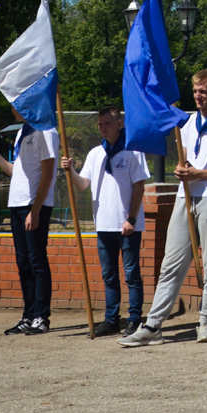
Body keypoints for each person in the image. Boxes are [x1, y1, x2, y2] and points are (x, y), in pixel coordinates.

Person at [121, 69, 207, 347]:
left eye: (204, 91)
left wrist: (200, 174)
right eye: (196, 91)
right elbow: (186, 161)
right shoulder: (187, 123)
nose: (199, 96)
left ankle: (205, 321)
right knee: (171, 261)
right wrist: (183, 169)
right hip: (185, 196)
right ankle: (153, 325)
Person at [58, 106, 149, 338]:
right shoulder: (95, 154)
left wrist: (131, 218)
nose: (102, 127)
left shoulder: (133, 150)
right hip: (103, 224)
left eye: (107, 123)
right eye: (100, 124)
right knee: (109, 275)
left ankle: (135, 318)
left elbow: (139, 185)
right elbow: (83, 185)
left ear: (119, 123)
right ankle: (111, 319)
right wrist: (71, 171)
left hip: (127, 224)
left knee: (131, 274)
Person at [0, 106, 58, 335]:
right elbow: (16, 171)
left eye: (18, 103)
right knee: (23, 263)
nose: (13, 107)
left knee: (37, 261)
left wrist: (35, 210)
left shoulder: (46, 130)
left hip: (33, 204)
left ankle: (41, 317)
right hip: (16, 204)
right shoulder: (21, 132)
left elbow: (48, 172)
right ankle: (28, 314)